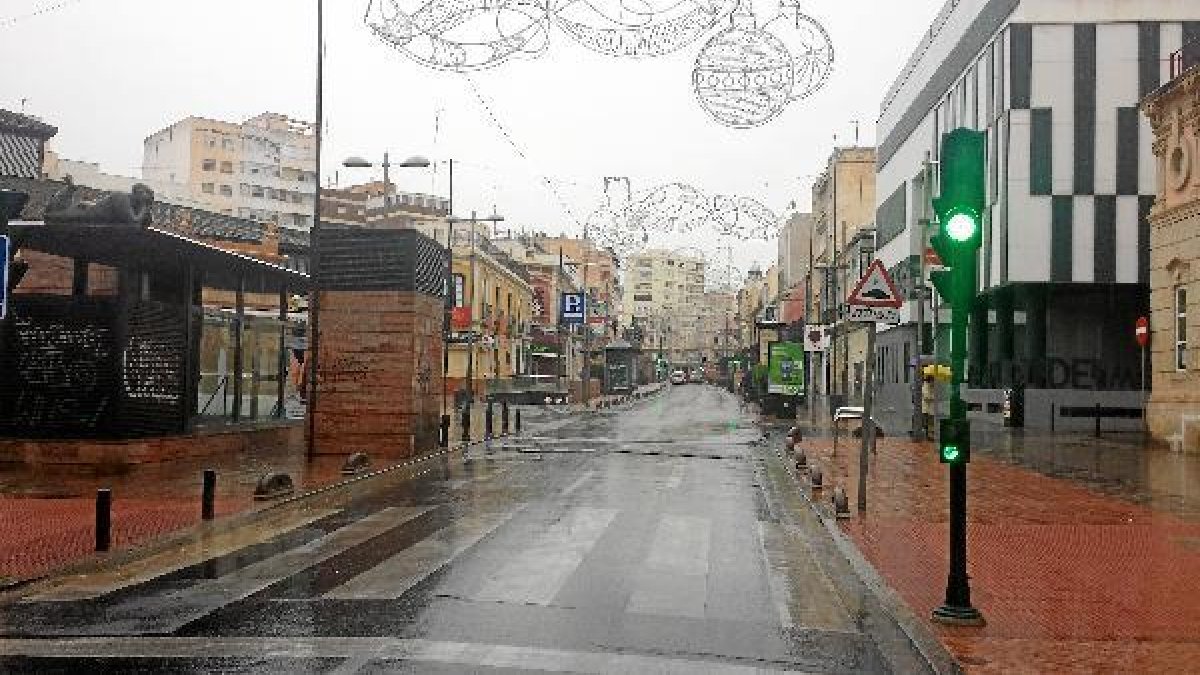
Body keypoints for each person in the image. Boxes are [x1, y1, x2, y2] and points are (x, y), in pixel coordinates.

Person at [921, 373, 936, 440]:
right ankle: (929, 435)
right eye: (932, 380)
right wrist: (933, 397)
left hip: (932, 408)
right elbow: (926, 397)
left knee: (931, 422)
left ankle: (930, 435)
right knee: (928, 422)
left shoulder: (933, 386)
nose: (933, 381)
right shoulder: (925, 386)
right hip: (926, 408)